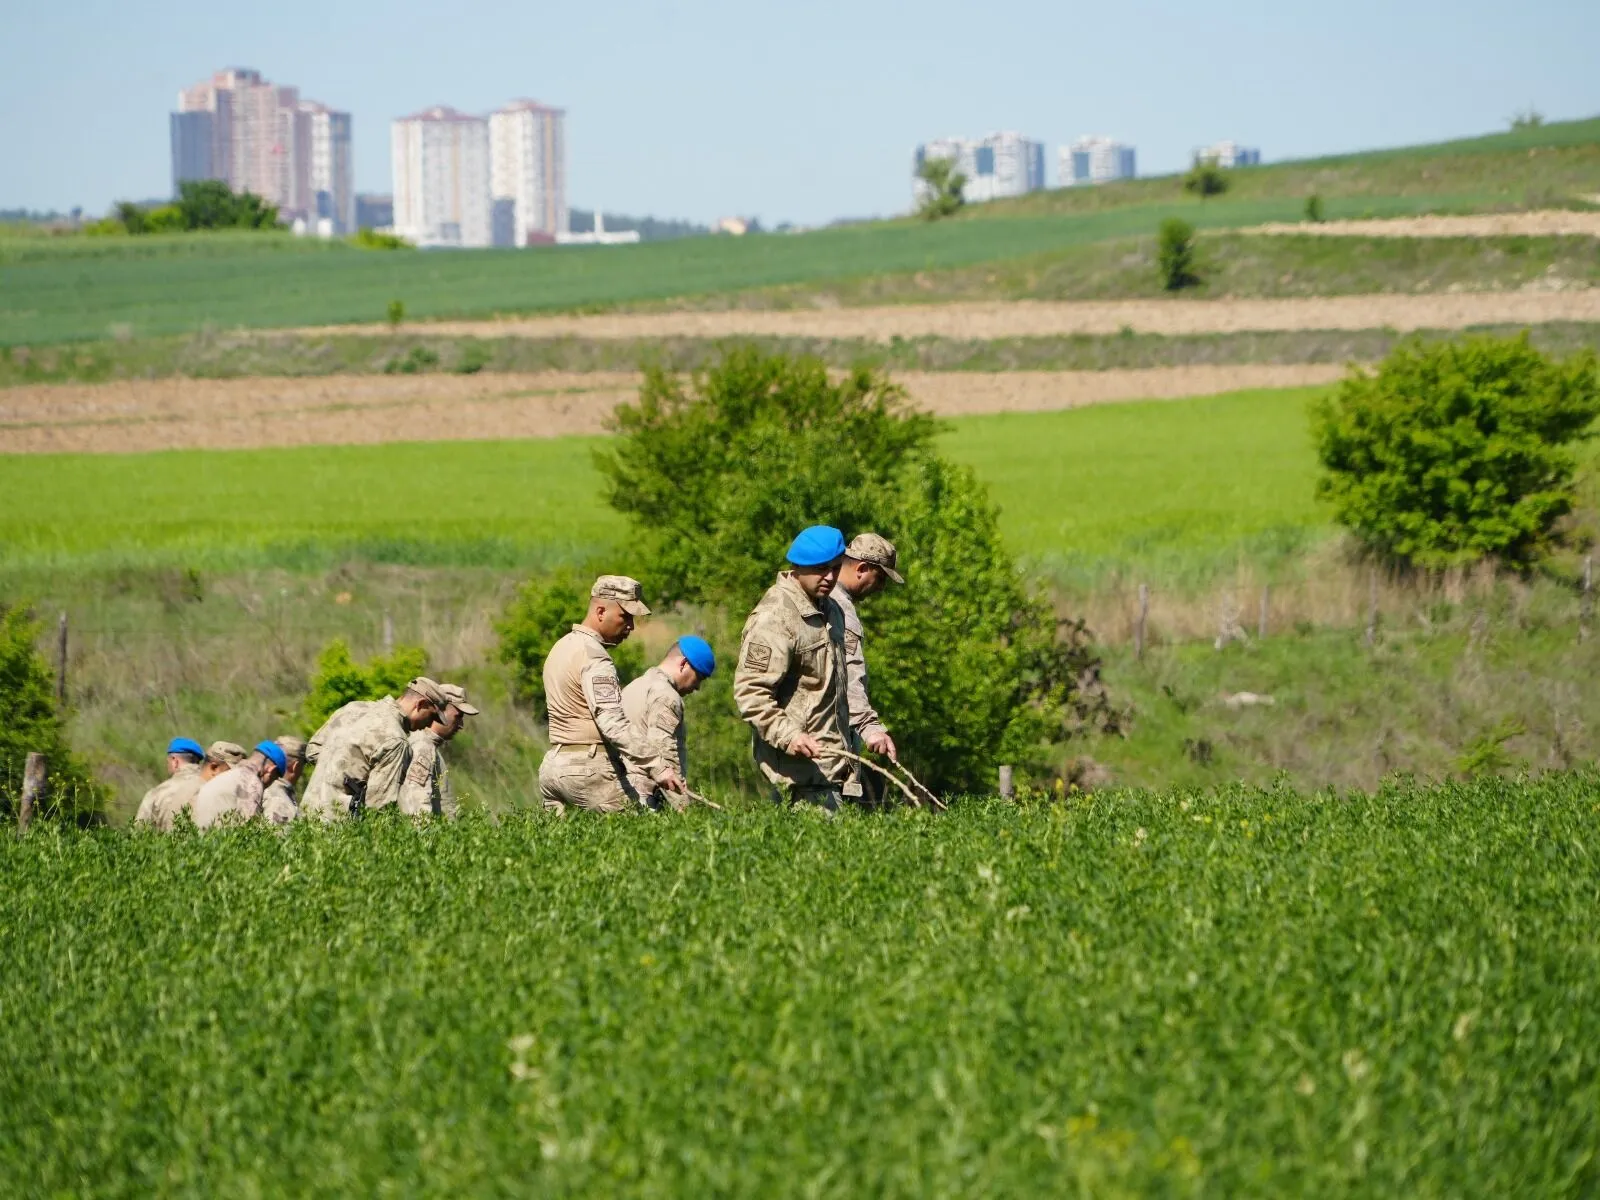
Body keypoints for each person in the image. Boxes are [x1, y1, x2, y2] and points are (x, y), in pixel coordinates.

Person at [733, 525, 860, 811]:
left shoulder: (832, 610)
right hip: (799, 773)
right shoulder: (775, 618)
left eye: (835, 569)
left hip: (831, 766)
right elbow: (750, 694)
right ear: (798, 566)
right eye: (820, 569)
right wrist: (789, 736)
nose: (829, 577)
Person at [539, 575, 684, 814]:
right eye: (625, 616)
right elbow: (613, 724)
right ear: (600, 611)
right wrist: (658, 766)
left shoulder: (560, 647)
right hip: (589, 768)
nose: (631, 626)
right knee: (644, 837)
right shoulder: (594, 657)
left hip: (553, 767)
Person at [302, 678, 445, 820]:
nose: (429, 724)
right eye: (432, 716)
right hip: (337, 829)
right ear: (420, 705)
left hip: (306, 818)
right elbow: (379, 808)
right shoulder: (396, 740)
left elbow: (312, 750)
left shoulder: (354, 709)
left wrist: (338, 773)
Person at [621, 635, 715, 811]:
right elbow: (664, 754)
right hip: (646, 797)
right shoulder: (667, 696)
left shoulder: (634, 686)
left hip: (622, 790)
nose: (697, 687)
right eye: (699, 677)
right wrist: (683, 808)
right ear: (684, 664)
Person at [835, 533, 904, 763]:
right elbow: (848, 674)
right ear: (862, 568)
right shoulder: (840, 609)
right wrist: (870, 727)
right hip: (827, 745)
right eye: (880, 578)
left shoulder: (823, 598)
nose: (881, 588)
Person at [400, 682, 479, 817]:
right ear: (440, 710)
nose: (461, 725)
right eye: (458, 716)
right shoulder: (422, 745)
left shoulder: (428, 745)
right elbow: (416, 802)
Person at [190, 741, 287, 830]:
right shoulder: (252, 782)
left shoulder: (225, 776)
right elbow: (248, 829)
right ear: (271, 770)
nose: (268, 785)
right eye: (273, 779)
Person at [133, 737, 204, 827]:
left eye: (168, 761)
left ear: (175, 761)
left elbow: (138, 833)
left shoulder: (157, 794)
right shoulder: (211, 787)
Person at [261, 735, 306, 826]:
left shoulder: (262, 787)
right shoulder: (280, 800)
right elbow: (277, 838)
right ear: (295, 766)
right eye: (304, 764)